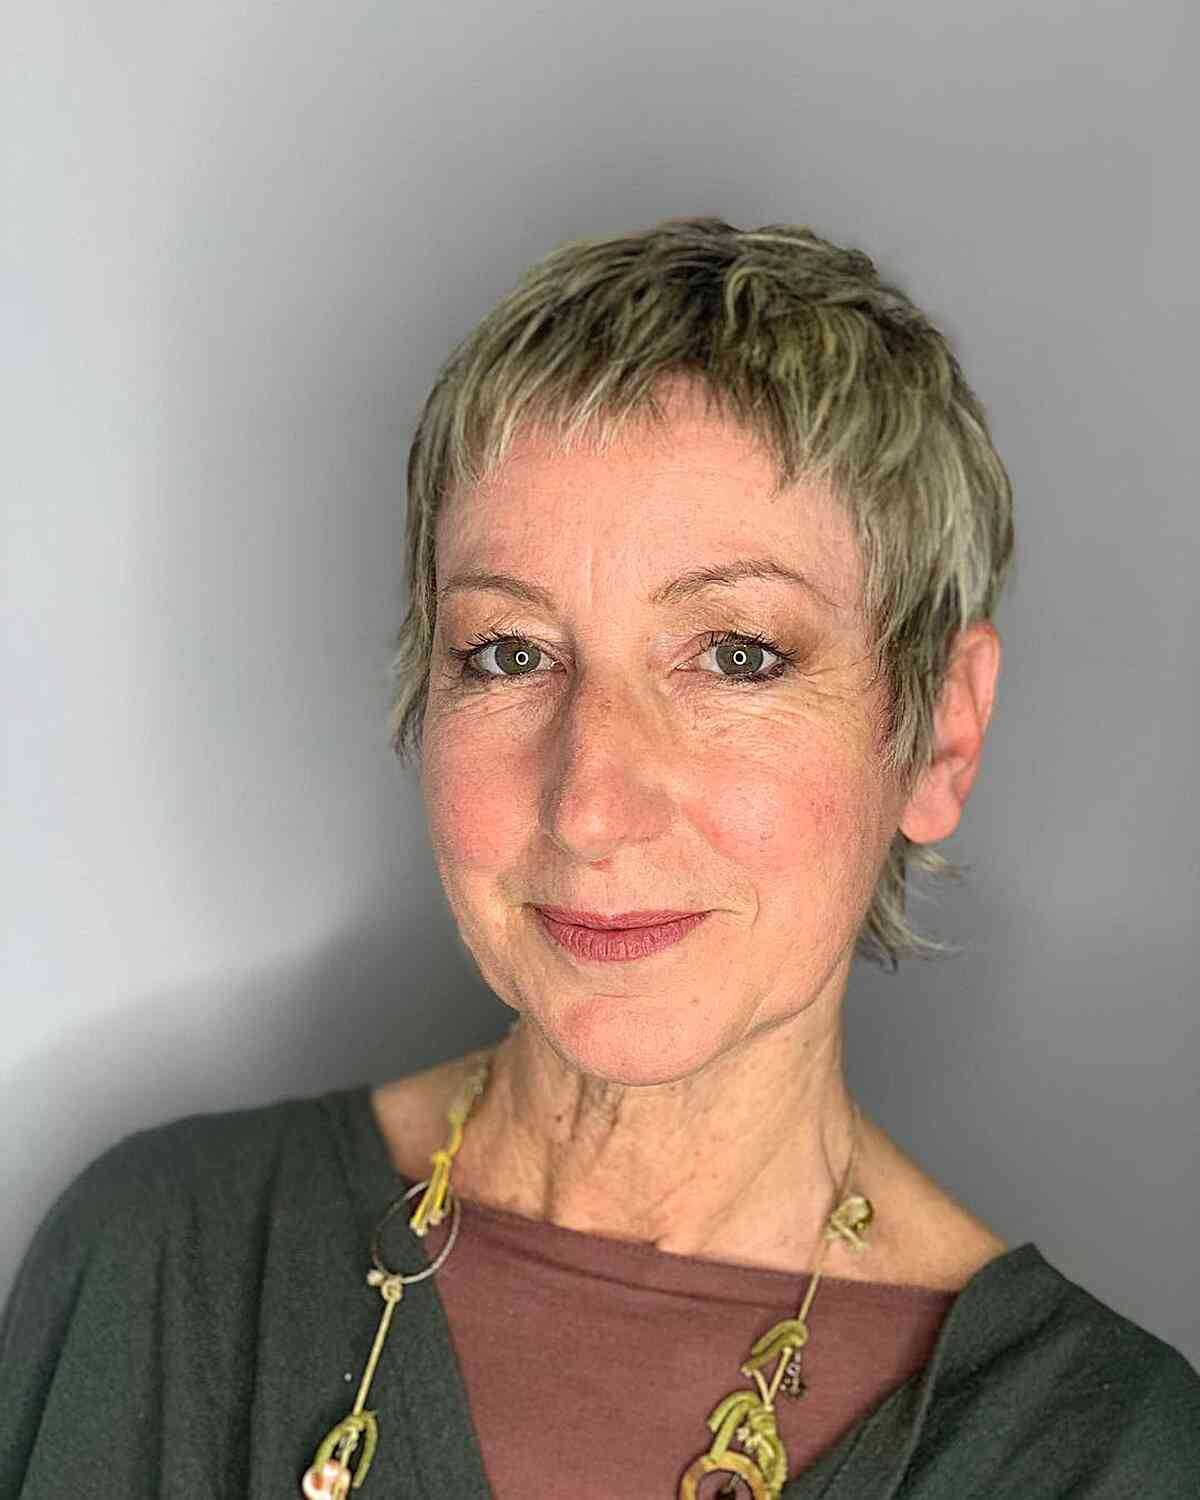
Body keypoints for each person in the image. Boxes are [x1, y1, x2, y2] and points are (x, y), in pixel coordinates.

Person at [2, 217, 1197, 1500]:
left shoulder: (1101, 1455)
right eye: (510, 654)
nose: (588, 806)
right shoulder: (156, 1267)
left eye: (737, 654)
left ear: (939, 736)